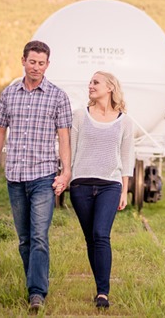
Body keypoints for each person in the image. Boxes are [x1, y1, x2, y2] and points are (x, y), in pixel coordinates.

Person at [0, 40, 72, 312]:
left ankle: (36, 293)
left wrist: (66, 171)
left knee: (39, 236)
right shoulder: (9, 94)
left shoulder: (58, 96)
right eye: (32, 61)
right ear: (23, 60)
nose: (36, 67)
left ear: (48, 65)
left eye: (41, 63)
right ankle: (33, 281)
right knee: (24, 239)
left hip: (43, 176)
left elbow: (64, 138)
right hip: (15, 178)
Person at [69, 71, 134, 309]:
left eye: (95, 82)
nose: (90, 86)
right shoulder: (79, 116)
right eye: (90, 82)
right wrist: (67, 176)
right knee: (90, 239)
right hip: (81, 185)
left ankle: (102, 293)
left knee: (101, 235)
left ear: (110, 87)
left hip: (110, 184)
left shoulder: (125, 121)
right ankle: (100, 286)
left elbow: (127, 157)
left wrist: (124, 189)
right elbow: (70, 151)